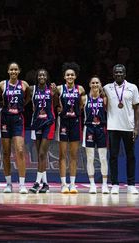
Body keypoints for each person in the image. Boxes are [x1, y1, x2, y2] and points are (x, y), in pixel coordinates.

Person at [103, 64, 139, 194]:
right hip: (113, 127)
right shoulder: (107, 88)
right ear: (113, 74)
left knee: (131, 156)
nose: (118, 74)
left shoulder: (132, 88)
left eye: (121, 72)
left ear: (125, 74)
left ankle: (131, 184)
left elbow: (137, 108)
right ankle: (114, 184)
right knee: (113, 156)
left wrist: (136, 128)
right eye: (116, 72)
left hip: (128, 127)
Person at [0, 62, 29, 193]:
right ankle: (8, 184)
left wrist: (20, 107)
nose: (13, 72)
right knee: (5, 152)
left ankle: (22, 184)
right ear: (8, 71)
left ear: (19, 71)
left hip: (18, 119)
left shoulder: (24, 85)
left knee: (20, 150)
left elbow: (27, 99)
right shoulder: (2, 85)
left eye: (16, 69)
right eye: (11, 70)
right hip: (5, 119)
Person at [55, 62, 85, 194]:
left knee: (73, 155)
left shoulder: (81, 89)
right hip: (63, 122)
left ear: (75, 76)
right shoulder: (59, 89)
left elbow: (83, 106)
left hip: (75, 122)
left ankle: (72, 184)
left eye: (72, 74)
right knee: (62, 155)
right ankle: (63, 184)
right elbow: (54, 103)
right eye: (68, 75)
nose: (70, 76)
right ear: (64, 76)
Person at [28, 69, 55, 193]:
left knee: (42, 153)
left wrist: (55, 95)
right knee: (40, 155)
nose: (42, 76)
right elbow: (25, 102)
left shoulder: (52, 90)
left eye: (44, 74)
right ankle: (45, 184)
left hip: (48, 123)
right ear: (37, 77)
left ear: (47, 77)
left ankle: (37, 183)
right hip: (36, 123)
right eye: (40, 75)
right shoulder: (31, 89)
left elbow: (57, 105)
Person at [82, 76, 109, 194]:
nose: (95, 84)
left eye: (97, 82)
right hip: (89, 129)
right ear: (89, 84)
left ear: (100, 84)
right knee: (90, 158)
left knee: (103, 158)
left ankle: (104, 185)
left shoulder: (104, 99)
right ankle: (92, 184)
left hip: (101, 128)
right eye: (92, 82)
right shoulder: (84, 99)